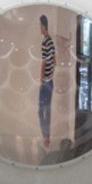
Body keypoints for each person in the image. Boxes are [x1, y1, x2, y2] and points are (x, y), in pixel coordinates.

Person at [38, 14, 55, 148]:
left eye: (40, 25)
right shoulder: (51, 41)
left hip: (45, 82)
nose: (39, 27)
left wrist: (41, 80)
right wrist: (51, 74)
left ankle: (45, 137)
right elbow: (55, 61)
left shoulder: (45, 42)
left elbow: (44, 63)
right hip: (51, 81)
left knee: (40, 111)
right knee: (47, 110)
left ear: (43, 26)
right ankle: (47, 137)